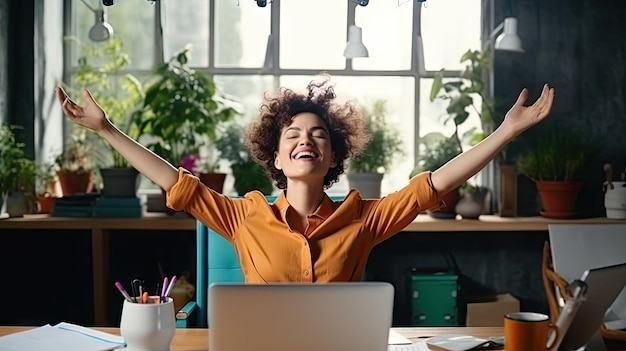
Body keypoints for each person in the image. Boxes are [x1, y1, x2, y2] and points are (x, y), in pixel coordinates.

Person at [56, 75, 554, 283]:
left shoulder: (365, 219)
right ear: (275, 151)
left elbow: (433, 186)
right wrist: (106, 129)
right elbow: (175, 181)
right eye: (292, 133)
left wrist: (506, 132)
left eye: (318, 134)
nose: (305, 140)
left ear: (333, 152)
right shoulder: (242, 216)